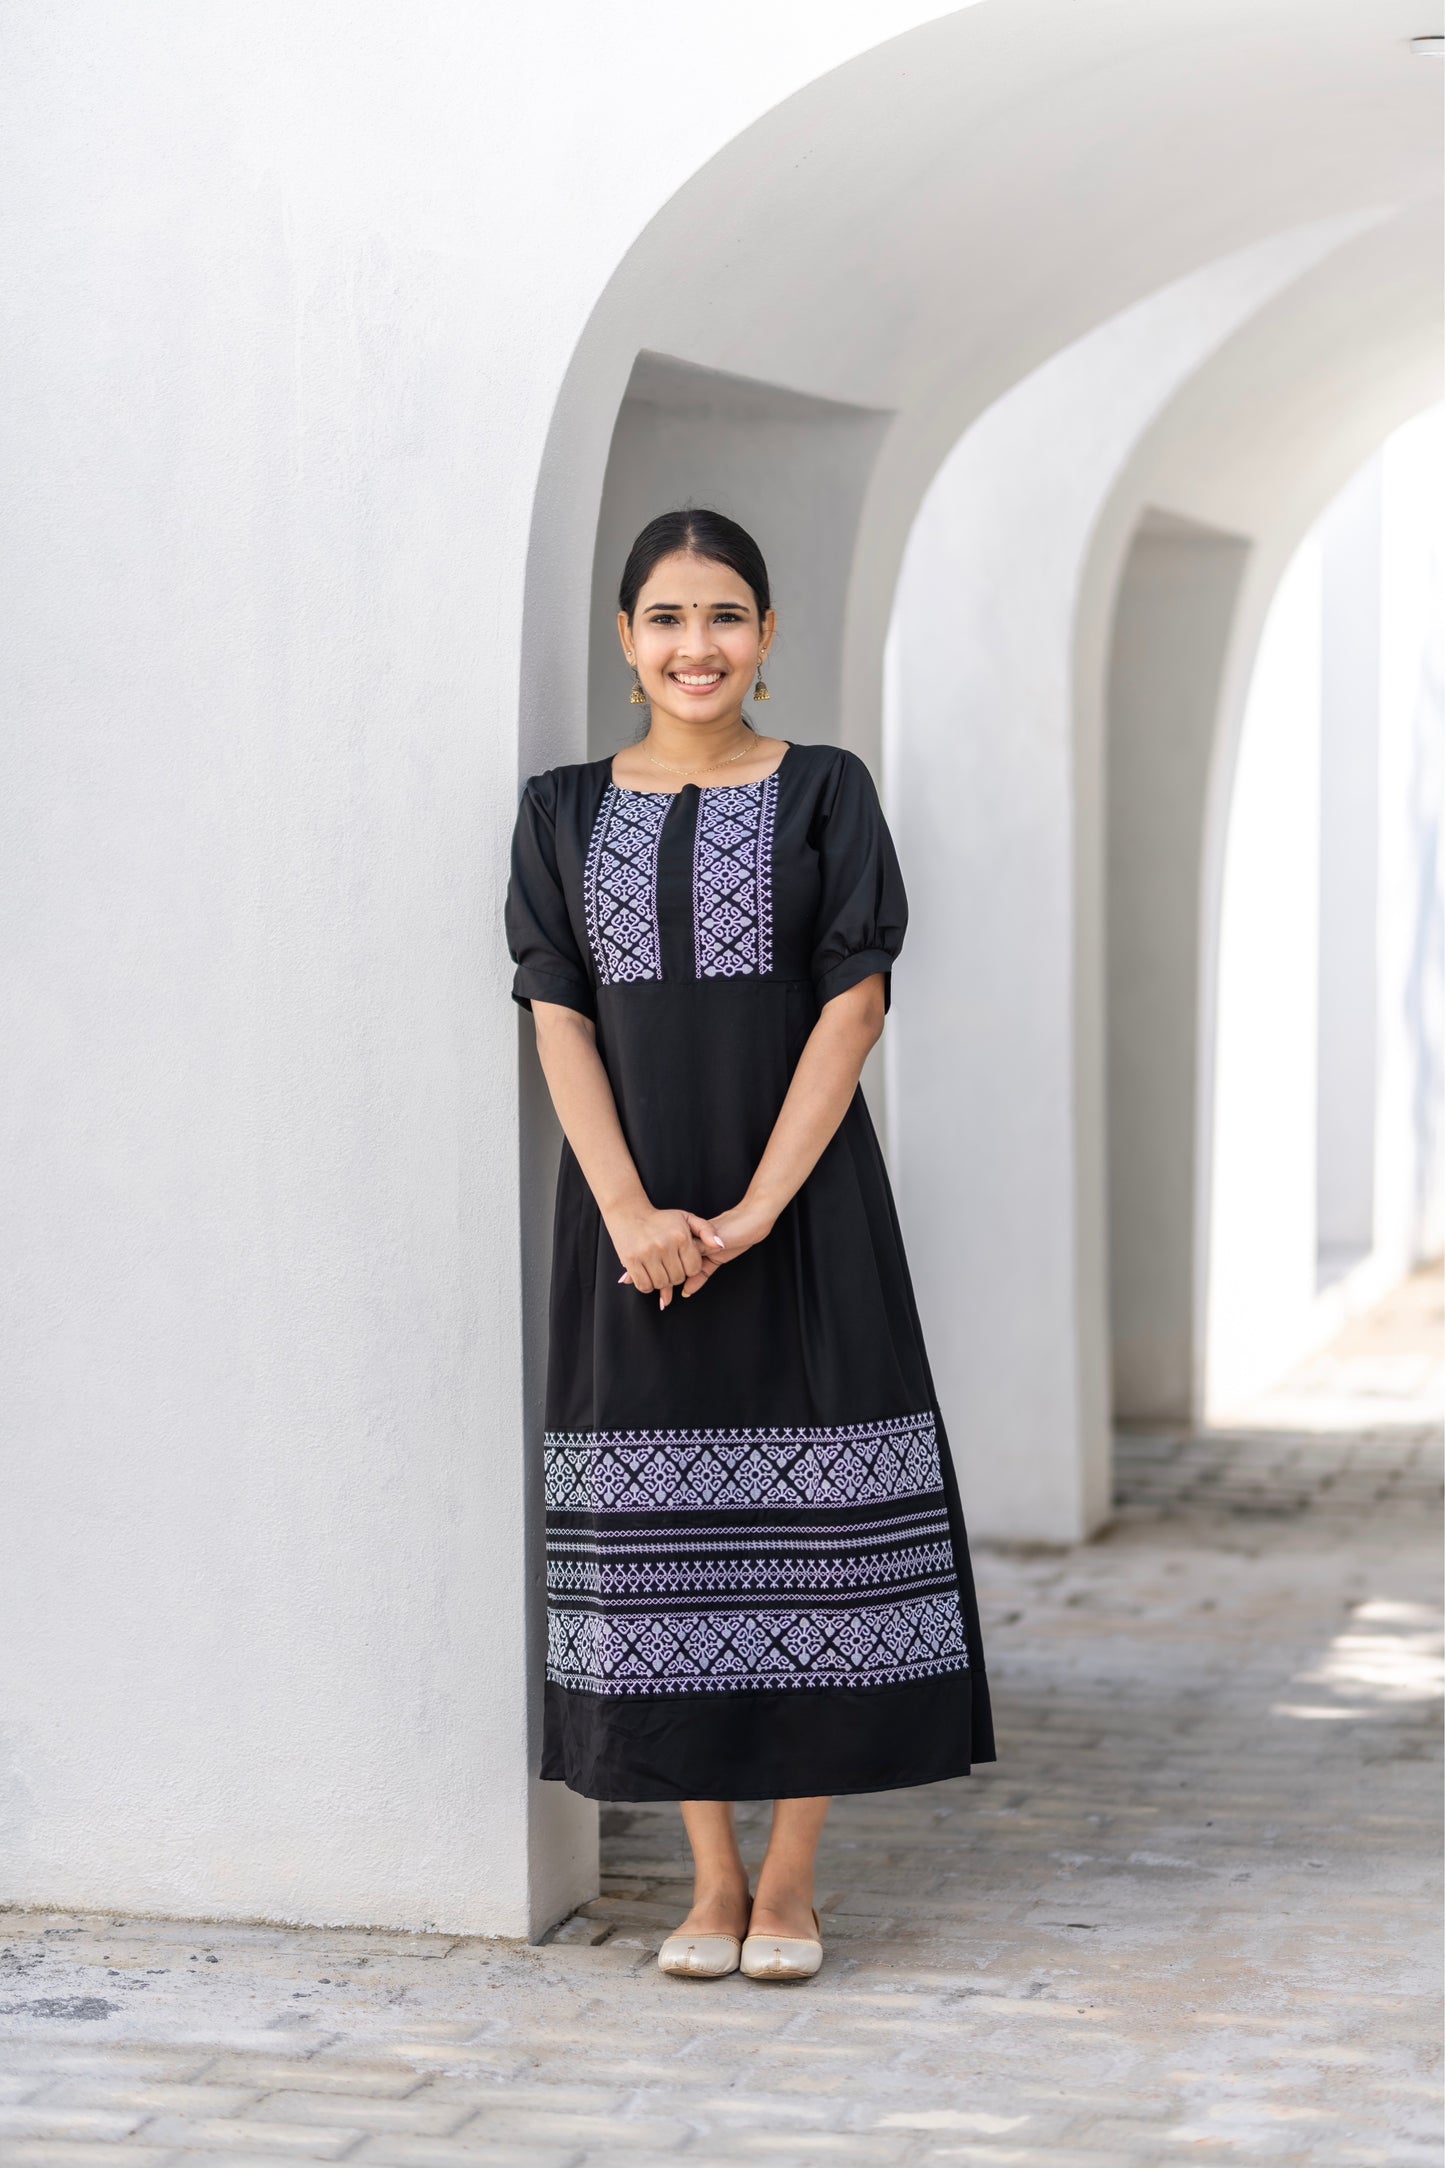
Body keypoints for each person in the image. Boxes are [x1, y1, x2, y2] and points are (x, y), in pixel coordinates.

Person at [506, 508, 994, 1984]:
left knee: (823, 1550)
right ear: (624, 638)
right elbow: (555, 1010)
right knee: (659, 1562)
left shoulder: (826, 793)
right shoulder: (559, 810)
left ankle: (788, 1885)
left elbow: (854, 1002)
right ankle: (705, 1883)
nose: (694, 645)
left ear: (766, 637)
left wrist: (762, 1211)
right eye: (665, 617)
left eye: (724, 616)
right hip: (629, 1229)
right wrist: (627, 1212)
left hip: (803, 1217)